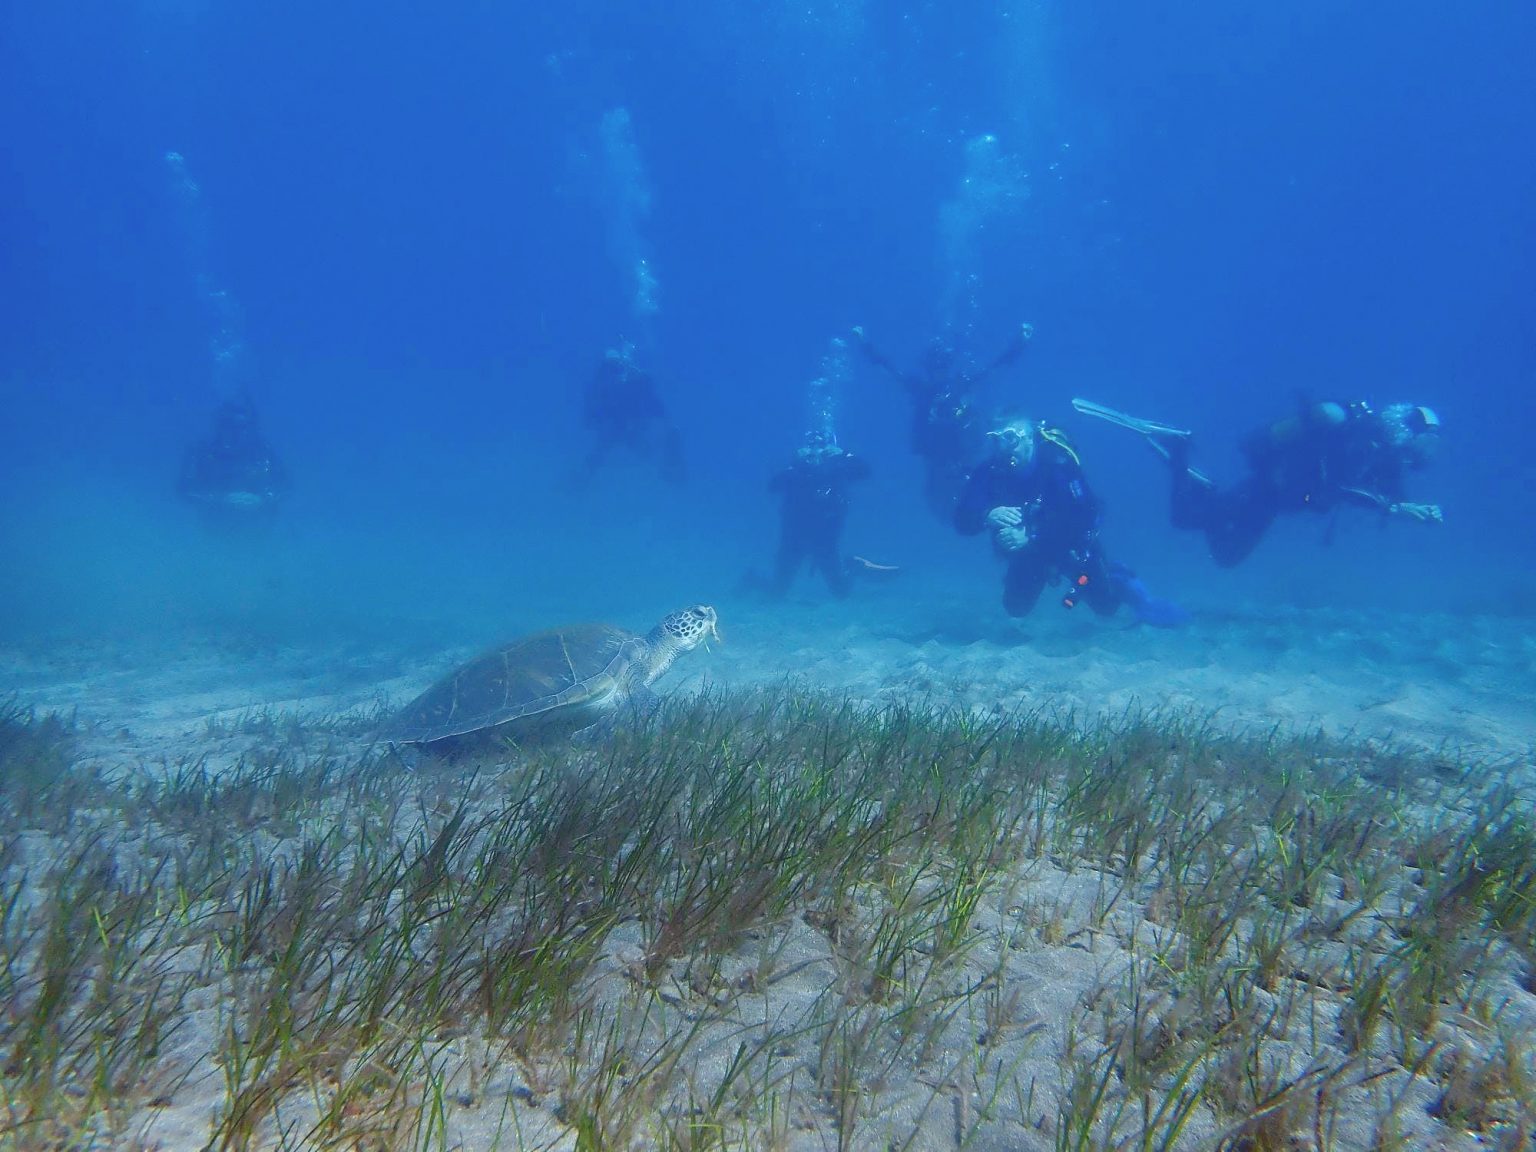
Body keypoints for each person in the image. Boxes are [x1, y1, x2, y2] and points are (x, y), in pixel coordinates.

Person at [1073, 396, 1444, 568]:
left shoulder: (1386, 457)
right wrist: (1392, 507)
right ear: (1407, 431)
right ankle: (1179, 449)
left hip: (1277, 501)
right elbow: (1344, 487)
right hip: (1267, 489)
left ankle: (1201, 486)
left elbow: (1388, 492)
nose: (1424, 453)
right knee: (1182, 519)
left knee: (1226, 556)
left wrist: (1405, 506)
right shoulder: (1362, 439)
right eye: (1424, 442)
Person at [954, 415, 1181, 623]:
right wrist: (986, 515)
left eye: (1011, 438)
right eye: (997, 440)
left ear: (1030, 439)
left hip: (1070, 549)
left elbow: (1085, 517)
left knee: (1106, 606)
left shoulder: (1057, 465)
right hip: (1029, 554)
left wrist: (1032, 536)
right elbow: (961, 520)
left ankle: (1118, 575)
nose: (1004, 448)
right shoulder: (989, 472)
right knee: (1016, 607)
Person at [854, 324, 1032, 519]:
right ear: (928, 368)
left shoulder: (960, 385)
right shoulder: (921, 389)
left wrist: (1019, 345)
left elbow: (995, 368)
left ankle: (975, 515)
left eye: (943, 366)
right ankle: (955, 517)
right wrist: (866, 346)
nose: (939, 371)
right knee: (938, 494)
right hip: (935, 454)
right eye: (935, 367)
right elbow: (888, 371)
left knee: (968, 486)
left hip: (962, 451)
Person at [764, 430, 873, 599]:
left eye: (822, 446)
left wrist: (844, 454)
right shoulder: (797, 469)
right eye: (811, 446)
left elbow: (865, 471)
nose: (816, 452)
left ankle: (854, 567)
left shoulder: (836, 468)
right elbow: (773, 486)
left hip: (825, 537)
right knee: (777, 592)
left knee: (840, 592)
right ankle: (752, 580)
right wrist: (795, 463)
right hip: (794, 535)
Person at [575, 341, 685, 486]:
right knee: (636, 450)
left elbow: (651, 406)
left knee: (602, 451)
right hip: (623, 426)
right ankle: (668, 473)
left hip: (617, 426)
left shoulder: (612, 381)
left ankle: (582, 478)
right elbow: (655, 407)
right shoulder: (627, 382)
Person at [178, 393, 289, 526]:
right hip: (213, 529)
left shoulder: (263, 451)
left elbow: (285, 485)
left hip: (257, 529)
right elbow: (184, 488)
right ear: (220, 427)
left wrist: (262, 499)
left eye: (243, 427)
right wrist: (221, 499)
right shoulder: (202, 452)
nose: (237, 433)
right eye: (230, 426)